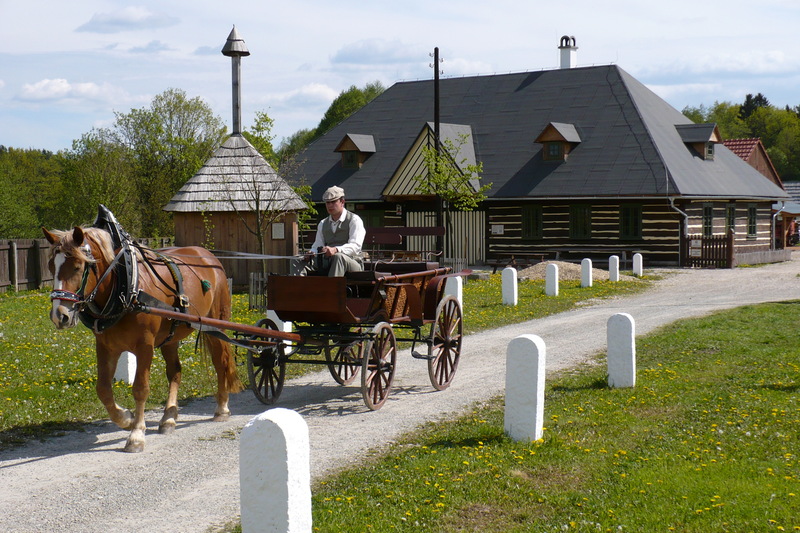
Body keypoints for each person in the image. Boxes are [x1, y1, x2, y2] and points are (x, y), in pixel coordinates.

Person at [292, 186, 366, 276]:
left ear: (342, 202)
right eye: (327, 202)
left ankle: (331, 289)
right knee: (296, 259)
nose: (330, 205)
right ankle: (299, 289)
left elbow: (355, 247)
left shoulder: (354, 220)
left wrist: (336, 249)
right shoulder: (323, 223)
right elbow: (317, 246)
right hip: (327, 261)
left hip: (353, 262)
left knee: (338, 257)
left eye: (333, 202)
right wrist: (311, 252)